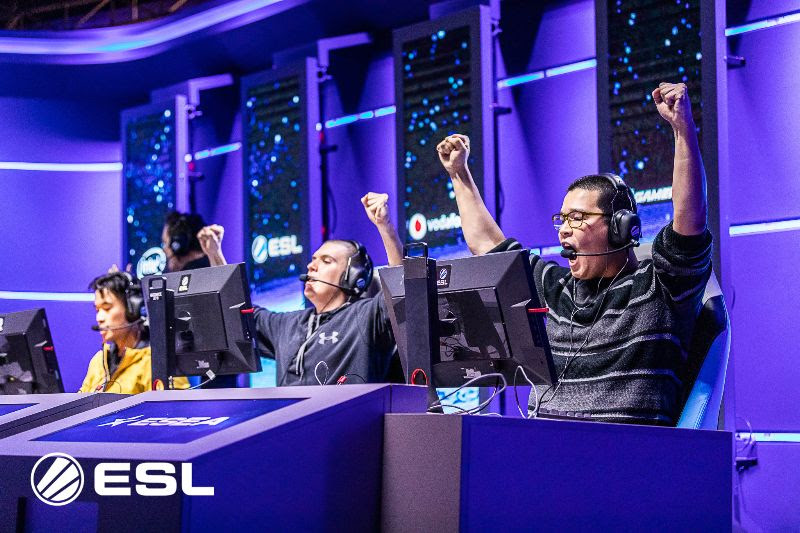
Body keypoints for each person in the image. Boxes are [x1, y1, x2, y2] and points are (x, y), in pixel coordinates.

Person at [436, 82, 712, 425]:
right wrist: (459, 174)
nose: (564, 229)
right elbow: (487, 246)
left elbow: (690, 219)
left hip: (621, 454)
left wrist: (682, 128)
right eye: (562, 219)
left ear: (621, 227)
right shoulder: (555, 288)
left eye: (578, 218)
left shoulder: (660, 286)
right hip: (542, 448)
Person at [198, 192, 404, 386]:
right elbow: (235, 311)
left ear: (353, 277)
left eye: (326, 261)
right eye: (313, 259)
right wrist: (215, 254)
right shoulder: (286, 324)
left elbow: (400, 283)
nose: (311, 266)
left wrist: (385, 226)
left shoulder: (367, 316)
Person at [79, 271, 189, 393]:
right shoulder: (98, 362)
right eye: (97, 310)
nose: (99, 318)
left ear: (134, 309)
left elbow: (175, 404)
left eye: (107, 308)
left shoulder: (156, 362)